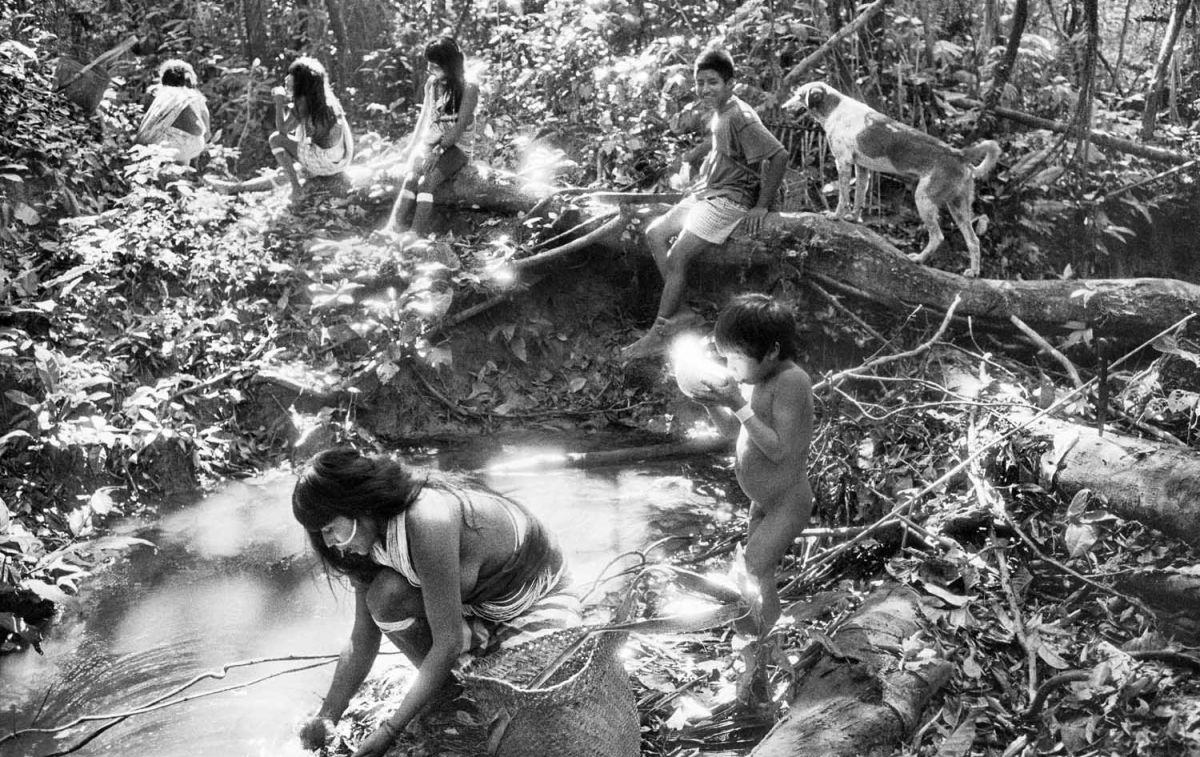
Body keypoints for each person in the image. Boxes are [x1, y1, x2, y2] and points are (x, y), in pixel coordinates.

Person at [291, 448, 581, 757]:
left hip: (534, 600)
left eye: (329, 528)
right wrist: (328, 715)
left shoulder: (427, 519)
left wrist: (390, 730)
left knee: (527, 713)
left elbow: (448, 643)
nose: (329, 543)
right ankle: (447, 694)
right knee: (384, 598)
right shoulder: (366, 542)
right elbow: (363, 638)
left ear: (357, 507)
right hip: (475, 608)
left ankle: (458, 687)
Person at [622, 49, 788, 360]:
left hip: (730, 199)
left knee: (677, 256)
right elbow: (717, 141)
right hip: (708, 192)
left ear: (730, 84)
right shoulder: (721, 111)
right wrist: (687, 158)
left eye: (712, 82)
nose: (704, 89)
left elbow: (778, 155)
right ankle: (681, 311)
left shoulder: (741, 117)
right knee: (655, 233)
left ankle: (659, 331)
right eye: (700, 83)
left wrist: (762, 206)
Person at [682, 294, 813, 636]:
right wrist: (712, 404)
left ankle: (761, 641)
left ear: (770, 351)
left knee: (750, 568)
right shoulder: (754, 380)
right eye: (727, 357)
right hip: (762, 500)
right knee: (758, 572)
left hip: (787, 501)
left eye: (737, 358)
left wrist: (737, 402)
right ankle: (762, 639)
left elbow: (779, 451)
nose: (732, 367)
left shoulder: (791, 381)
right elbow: (736, 433)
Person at [385, 36, 479, 239]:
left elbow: (459, 127)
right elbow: (425, 117)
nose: (431, 71)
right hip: (433, 142)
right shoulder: (432, 85)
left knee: (427, 182)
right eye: (430, 67)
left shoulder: (469, 88)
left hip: (457, 147)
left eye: (435, 67)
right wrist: (412, 147)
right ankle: (392, 229)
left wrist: (437, 153)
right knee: (410, 178)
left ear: (450, 65)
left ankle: (414, 234)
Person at [134, 59, 210, 165]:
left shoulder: (154, 93)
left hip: (149, 145)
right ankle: (184, 170)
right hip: (180, 149)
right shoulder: (192, 96)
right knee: (196, 138)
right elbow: (204, 132)